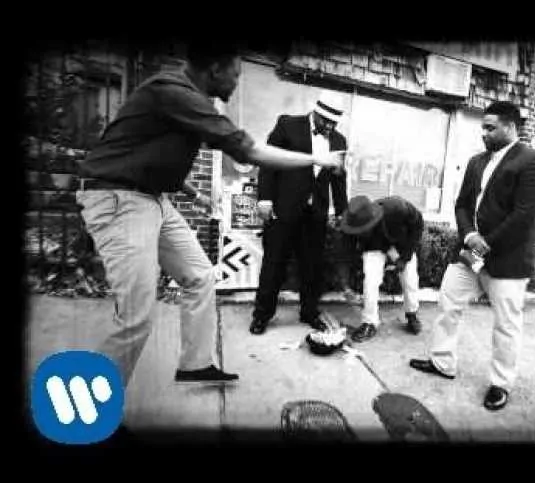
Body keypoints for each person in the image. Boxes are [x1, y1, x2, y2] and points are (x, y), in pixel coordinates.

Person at [75, 42, 342, 387]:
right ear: (215, 69)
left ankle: (196, 363)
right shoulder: (176, 93)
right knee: (135, 316)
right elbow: (249, 151)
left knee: (200, 276)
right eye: (236, 74)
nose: (237, 82)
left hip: (151, 198)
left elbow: (150, 158)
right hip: (120, 199)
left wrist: (195, 194)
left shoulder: (185, 98)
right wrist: (317, 159)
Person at [409, 101, 535, 412]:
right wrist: (469, 236)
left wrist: (485, 243)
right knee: (449, 299)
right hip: (473, 251)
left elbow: (524, 215)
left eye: (490, 127)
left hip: (509, 259)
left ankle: (501, 383)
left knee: (506, 324)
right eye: (482, 128)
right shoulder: (476, 162)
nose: (483, 133)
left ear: (510, 127)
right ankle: (442, 362)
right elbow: (462, 204)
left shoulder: (534, 161)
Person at [250, 92, 349, 335]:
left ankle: (309, 312)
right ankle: (262, 315)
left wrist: (342, 211)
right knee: (274, 264)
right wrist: (264, 198)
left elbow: (338, 179)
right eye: (326, 121)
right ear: (316, 112)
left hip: (315, 214)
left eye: (334, 122)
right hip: (283, 209)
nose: (329, 126)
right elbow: (268, 162)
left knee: (312, 267)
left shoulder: (339, 141)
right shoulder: (288, 125)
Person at [339, 195, 423, 343]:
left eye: (363, 229)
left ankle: (412, 313)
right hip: (373, 247)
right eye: (358, 231)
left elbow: (417, 224)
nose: (360, 233)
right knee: (370, 281)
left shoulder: (397, 208)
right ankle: (370, 322)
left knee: (409, 277)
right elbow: (343, 256)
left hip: (399, 243)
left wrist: (405, 257)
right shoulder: (350, 224)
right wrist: (345, 286)